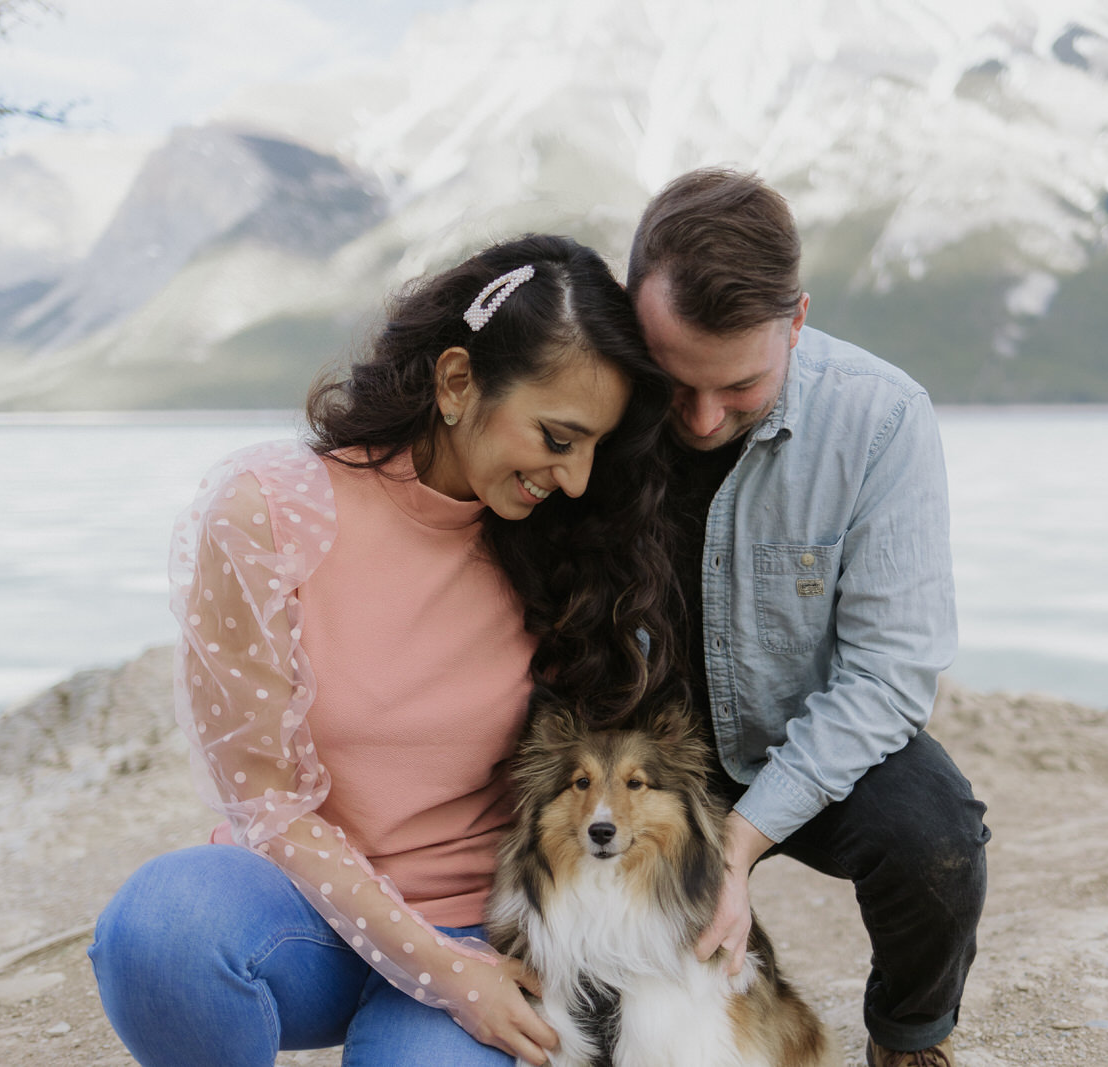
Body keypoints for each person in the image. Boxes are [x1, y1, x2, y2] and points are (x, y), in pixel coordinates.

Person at [89, 234, 680, 1067]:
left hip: (491, 928)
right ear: (456, 381)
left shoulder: (571, 546)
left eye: (593, 447)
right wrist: (440, 970)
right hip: (302, 917)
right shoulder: (267, 513)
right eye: (557, 437)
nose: (577, 478)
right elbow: (268, 799)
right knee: (160, 930)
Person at [627, 168, 992, 1067]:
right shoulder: (591, 396)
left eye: (740, 387)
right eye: (677, 383)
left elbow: (888, 676)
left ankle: (908, 1038)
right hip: (638, 747)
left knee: (935, 837)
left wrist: (738, 847)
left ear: (795, 321)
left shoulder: (882, 417)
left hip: (806, 733)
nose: (704, 417)